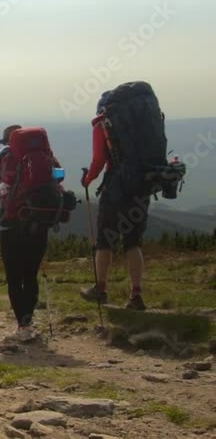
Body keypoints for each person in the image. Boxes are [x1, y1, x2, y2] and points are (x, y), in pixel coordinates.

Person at [0, 125, 52, 343]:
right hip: (39, 223)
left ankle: (22, 325)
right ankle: (28, 322)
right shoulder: (43, 157)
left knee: (14, 277)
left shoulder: (4, 160)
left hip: (11, 225)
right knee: (31, 274)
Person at [80, 90, 148, 311]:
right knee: (133, 241)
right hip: (142, 184)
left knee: (105, 239)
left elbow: (99, 159)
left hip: (116, 187)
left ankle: (100, 289)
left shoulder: (102, 123)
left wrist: (88, 179)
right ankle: (135, 295)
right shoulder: (143, 120)